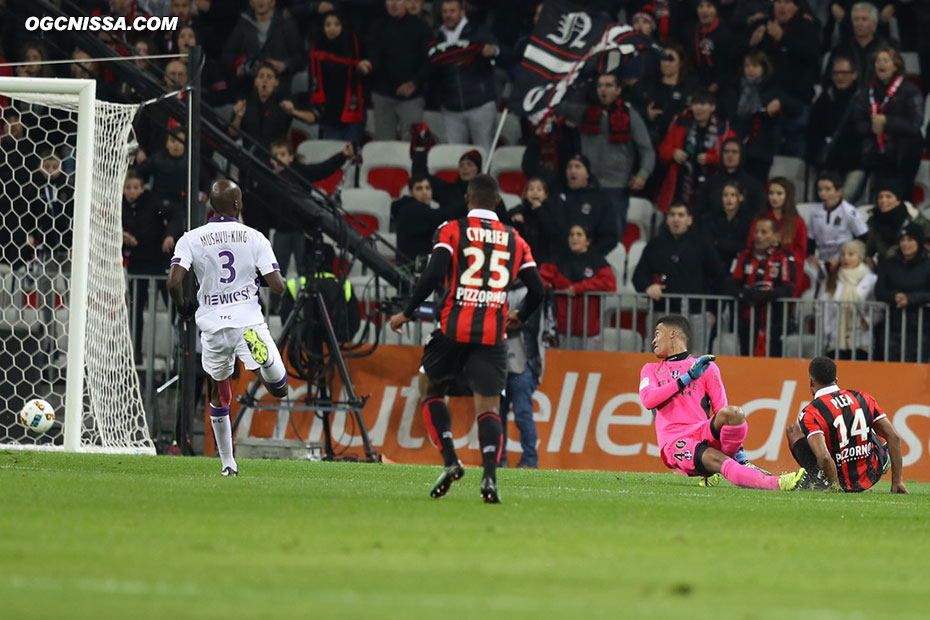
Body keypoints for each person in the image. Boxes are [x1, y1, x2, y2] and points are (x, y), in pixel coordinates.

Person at [388, 174, 544, 503]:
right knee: (488, 407)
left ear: (467, 199)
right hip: (492, 333)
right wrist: (523, 314)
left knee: (430, 388)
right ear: (498, 202)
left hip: (452, 328)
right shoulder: (515, 239)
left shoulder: (452, 229)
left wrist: (407, 312)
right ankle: (489, 476)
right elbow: (538, 289)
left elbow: (432, 273)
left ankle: (450, 461)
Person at [167, 180, 289, 477]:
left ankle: (228, 464)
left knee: (218, 396)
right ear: (237, 205)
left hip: (212, 327)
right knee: (280, 388)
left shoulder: (191, 238)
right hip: (247, 320)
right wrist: (263, 280)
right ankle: (267, 364)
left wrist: (184, 305)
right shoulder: (255, 237)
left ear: (210, 204)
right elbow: (278, 286)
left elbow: (173, 282)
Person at [640, 314, 807, 491]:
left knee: (734, 414)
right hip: (675, 441)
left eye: (657, 333)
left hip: (702, 431)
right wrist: (687, 378)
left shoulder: (706, 367)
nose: (653, 341)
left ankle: (740, 461)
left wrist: (739, 453)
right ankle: (778, 483)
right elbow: (649, 400)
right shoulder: (651, 369)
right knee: (721, 461)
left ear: (673, 333)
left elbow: (722, 409)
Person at [785, 356, 907, 493]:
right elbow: (894, 437)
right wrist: (897, 481)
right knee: (869, 427)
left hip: (840, 481)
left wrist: (835, 486)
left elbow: (824, 457)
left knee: (794, 430)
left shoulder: (811, 412)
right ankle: (882, 459)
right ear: (836, 380)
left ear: (811, 383)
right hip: (872, 474)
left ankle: (820, 478)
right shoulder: (863, 398)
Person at [560, 73, 655, 240]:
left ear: (618, 90)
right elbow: (558, 105)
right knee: (583, 233)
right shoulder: (585, 112)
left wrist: (643, 174)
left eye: (609, 85)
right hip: (588, 185)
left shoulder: (630, 115)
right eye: (600, 85)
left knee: (614, 235)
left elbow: (647, 150)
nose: (603, 89)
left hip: (617, 185)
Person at [633, 203, 724, 350]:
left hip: (695, 313)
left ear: (689, 219)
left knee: (694, 360)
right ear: (667, 219)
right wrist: (648, 286)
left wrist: (712, 311)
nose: (676, 219)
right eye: (672, 215)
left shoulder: (702, 244)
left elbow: (718, 276)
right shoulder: (655, 244)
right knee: (660, 358)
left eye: (681, 215)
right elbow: (638, 275)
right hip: (662, 311)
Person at [427, 0, 500, 151]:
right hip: (451, 111)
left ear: (462, 12)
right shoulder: (436, 36)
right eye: (445, 12)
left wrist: (493, 51)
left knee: (484, 154)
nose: (448, 15)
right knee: (455, 156)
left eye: (452, 11)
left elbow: (501, 53)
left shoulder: (477, 31)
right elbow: (432, 71)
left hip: (480, 106)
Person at [853, 45, 924, 199]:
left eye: (886, 60)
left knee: (901, 196)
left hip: (905, 154)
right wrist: (873, 127)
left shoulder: (910, 90)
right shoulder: (867, 92)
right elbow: (858, 123)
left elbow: (915, 125)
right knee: (879, 197)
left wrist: (887, 122)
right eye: (878, 61)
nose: (881, 64)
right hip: (877, 153)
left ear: (896, 66)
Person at [719, 49, 800, 184]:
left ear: (764, 68)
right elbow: (721, 112)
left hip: (761, 151)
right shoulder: (734, 89)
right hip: (734, 148)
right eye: (747, 66)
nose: (750, 70)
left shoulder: (772, 89)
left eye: (755, 66)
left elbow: (796, 108)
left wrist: (780, 103)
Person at [656, 88, 736, 212]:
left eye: (703, 104)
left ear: (712, 107)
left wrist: (711, 158)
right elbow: (662, 151)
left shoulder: (723, 129)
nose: (698, 108)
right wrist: (673, 153)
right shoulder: (680, 123)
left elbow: (733, 157)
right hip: (680, 185)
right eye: (695, 104)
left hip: (712, 185)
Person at [539, 225, 617, 348]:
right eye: (571, 234)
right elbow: (541, 280)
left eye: (579, 234)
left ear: (588, 241)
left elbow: (610, 283)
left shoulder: (597, 260)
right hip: (561, 330)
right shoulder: (558, 260)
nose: (574, 237)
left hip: (589, 332)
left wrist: (579, 288)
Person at [729, 217, 797, 356]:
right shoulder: (744, 256)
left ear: (776, 236)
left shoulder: (784, 257)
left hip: (776, 322)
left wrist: (764, 296)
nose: (758, 236)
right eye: (757, 232)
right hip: (748, 320)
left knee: (774, 362)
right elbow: (731, 285)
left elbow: (788, 289)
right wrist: (746, 294)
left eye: (764, 232)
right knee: (746, 359)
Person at [364, 0, 432, 140]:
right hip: (383, 95)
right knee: (384, 145)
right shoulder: (377, 26)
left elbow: (430, 61)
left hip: (411, 97)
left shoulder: (420, 27)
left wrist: (414, 82)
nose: (394, 3)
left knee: (412, 144)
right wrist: (366, 66)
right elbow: (372, 59)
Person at [807, 54, 866, 201]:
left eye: (844, 73)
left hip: (854, 164)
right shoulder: (824, 98)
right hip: (827, 164)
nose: (840, 77)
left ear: (854, 74)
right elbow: (812, 130)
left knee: (843, 205)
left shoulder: (863, 100)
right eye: (836, 73)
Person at [499, 283, 543, 469]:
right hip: (498, 361)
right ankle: (498, 459)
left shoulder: (531, 291)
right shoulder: (497, 288)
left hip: (523, 361)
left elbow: (532, 324)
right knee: (496, 414)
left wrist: (507, 320)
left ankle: (530, 460)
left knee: (522, 413)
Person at [221, 0, 304, 96]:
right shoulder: (242, 26)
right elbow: (226, 57)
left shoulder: (287, 25)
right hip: (248, 88)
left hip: (279, 88)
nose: (260, 1)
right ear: (251, 3)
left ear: (272, 2)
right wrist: (244, 64)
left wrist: (285, 64)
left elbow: (300, 59)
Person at [874, 223, 930, 362]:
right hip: (892, 325)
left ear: (919, 241)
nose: (905, 244)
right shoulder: (888, 264)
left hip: (921, 328)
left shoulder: (927, 265)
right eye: (902, 240)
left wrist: (911, 299)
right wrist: (895, 296)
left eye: (910, 240)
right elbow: (879, 291)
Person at [309, 11, 366, 143]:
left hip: (352, 112)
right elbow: (317, 78)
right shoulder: (317, 50)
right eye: (327, 25)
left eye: (336, 24)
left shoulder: (354, 47)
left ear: (343, 26)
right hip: (329, 114)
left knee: (352, 157)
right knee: (333, 156)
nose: (332, 28)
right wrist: (355, 66)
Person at [229, 65, 316, 150]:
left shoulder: (284, 102)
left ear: (276, 82)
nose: (265, 79)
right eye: (261, 76)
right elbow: (232, 134)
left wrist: (294, 111)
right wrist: (238, 117)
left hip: (275, 160)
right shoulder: (244, 103)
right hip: (250, 159)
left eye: (269, 77)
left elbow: (313, 118)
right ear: (256, 82)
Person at [749, 177, 808, 296]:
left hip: (786, 276)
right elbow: (751, 244)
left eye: (779, 193)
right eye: (771, 193)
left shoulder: (797, 222)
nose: (774, 197)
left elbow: (800, 253)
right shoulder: (760, 218)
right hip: (761, 274)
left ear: (787, 196)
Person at [819, 240, 877, 359]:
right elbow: (821, 306)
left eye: (851, 254)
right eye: (843, 254)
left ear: (860, 257)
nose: (846, 258)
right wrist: (826, 330)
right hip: (834, 339)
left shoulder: (871, 280)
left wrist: (869, 321)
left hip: (861, 339)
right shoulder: (830, 280)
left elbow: (878, 307)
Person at [807, 171, 869, 278]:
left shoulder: (849, 212)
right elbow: (811, 239)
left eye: (827, 189)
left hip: (844, 260)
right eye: (820, 189)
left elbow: (863, 238)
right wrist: (811, 255)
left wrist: (844, 258)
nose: (822, 193)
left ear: (838, 192)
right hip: (822, 260)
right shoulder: (815, 212)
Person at [865, 178, 930, 265]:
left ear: (898, 200)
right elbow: (867, 247)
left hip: (916, 263)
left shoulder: (912, 216)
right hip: (887, 266)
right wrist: (868, 259)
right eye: (880, 197)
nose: (883, 200)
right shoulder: (873, 220)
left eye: (888, 196)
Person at [696, 138, 765, 219]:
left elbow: (757, 215)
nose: (730, 155)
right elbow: (700, 213)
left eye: (734, 152)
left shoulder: (754, 186)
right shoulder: (710, 184)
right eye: (726, 151)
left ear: (741, 155)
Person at [390, 174, 445, 266]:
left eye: (427, 188)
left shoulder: (409, 208)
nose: (424, 192)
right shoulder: (411, 209)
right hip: (411, 269)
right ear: (411, 192)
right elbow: (440, 218)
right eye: (419, 188)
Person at [701, 180, 754, 269]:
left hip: (739, 265)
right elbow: (707, 245)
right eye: (725, 195)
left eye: (733, 195)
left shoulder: (748, 220)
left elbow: (747, 246)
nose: (729, 199)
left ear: (741, 197)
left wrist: (721, 243)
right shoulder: (710, 219)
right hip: (713, 265)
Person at [508, 176, 562, 264]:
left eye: (539, 190)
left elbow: (553, 234)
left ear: (545, 194)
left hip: (544, 259)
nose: (535, 192)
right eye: (531, 189)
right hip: (521, 258)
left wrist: (540, 211)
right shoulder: (518, 211)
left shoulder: (552, 212)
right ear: (525, 194)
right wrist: (514, 220)